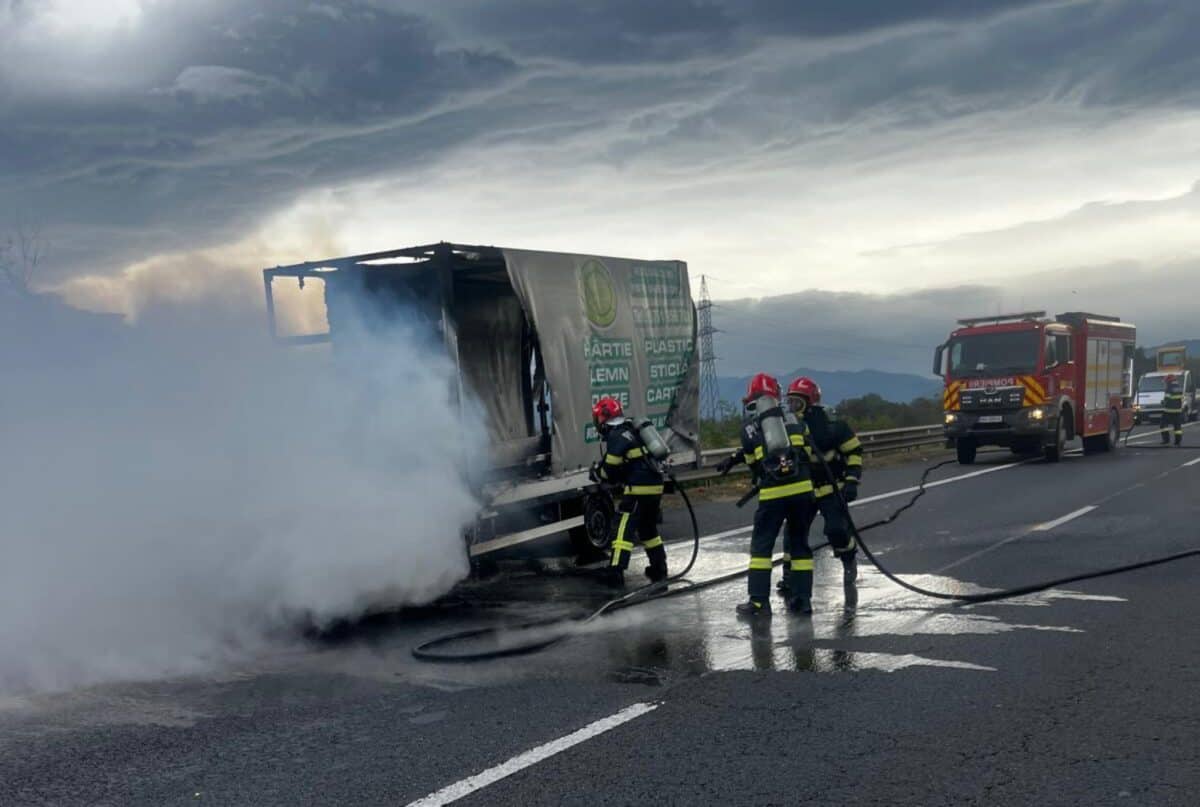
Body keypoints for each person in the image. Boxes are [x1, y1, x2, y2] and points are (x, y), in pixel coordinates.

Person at [715, 373, 816, 617]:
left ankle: (759, 603)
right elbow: (810, 452)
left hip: (773, 494)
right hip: (803, 491)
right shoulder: (793, 417)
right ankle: (802, 601)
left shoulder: (750, 426)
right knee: (800, 546)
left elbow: (753, 464)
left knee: (762, 548)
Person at [783, 376, 864, 608]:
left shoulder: (832, 425)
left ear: (811, 402)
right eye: (790, 403)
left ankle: (848, 559)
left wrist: (851, 481)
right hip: (803, 490)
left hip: (831, 488)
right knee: (794, 534)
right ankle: (789, 574)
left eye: (797, 403)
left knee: (836, 529)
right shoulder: (787, 427)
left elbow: (854, 452)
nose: (792, 409)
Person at [590, 396, 668, 587]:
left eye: (598, 418)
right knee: (648, 529)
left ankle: (615, 572)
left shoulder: (617, 436)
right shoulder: (631, 430)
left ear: (604, 417)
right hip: (655, 486)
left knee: (622, 531)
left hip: (638, 490)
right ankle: (659, 567)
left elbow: (609, 470)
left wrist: (596, 472)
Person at [1161, 375, 1185, 447]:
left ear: (1169, 381)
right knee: (1177, 427)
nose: (1165, 383)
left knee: (1163, 425)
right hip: (1178, 411)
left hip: (1168, 411)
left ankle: (1166, 440)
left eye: (1166, 381)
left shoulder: (1169, 388)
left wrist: (1163, 402)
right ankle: (1178, 442)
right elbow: (1181, 398)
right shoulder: (1179, 388)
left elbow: (1167, 399)